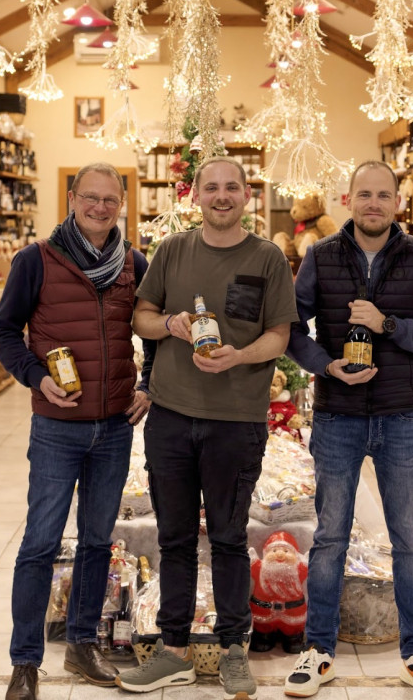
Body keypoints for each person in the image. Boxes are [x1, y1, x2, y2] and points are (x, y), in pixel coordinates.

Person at [116, 155, 298, 700]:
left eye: (232, 187)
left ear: (247, 195)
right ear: (195, 195)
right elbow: (140, 317)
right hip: (170, 416)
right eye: (211, 188)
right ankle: (172, 653)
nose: (222, 196)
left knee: (227, 538)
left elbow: (279, 336)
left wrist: (239, 357)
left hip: (236, 421)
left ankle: (233, 650)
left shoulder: (267, 258)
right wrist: (170, 324)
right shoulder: (172, 250)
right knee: (173, 538)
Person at [282, 160, 413, 700]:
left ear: (398, 204)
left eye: (384, 195)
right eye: (365, 195)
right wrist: (322, 365)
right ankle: (319, 652)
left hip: (401, 417)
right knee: (330, 537)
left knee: (408, 539)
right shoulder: (321, 256)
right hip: (337, 415)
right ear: (349, 200)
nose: (374, 204)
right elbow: (290, 328)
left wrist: (388, 325)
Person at [0, 162, 154, 700]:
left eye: (111, 200)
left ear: (121, 205)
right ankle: (25, 663)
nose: (100, 208)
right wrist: (36, 377)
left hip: (113, 427)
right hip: (57, 429)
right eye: (91, 197)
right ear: (71, 198)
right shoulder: (35, 260)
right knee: (39, 544)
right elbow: (5, 331)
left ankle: (82, 645)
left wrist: (148, 384)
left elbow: (154, 330)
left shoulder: (134, 263)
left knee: (97, 542)